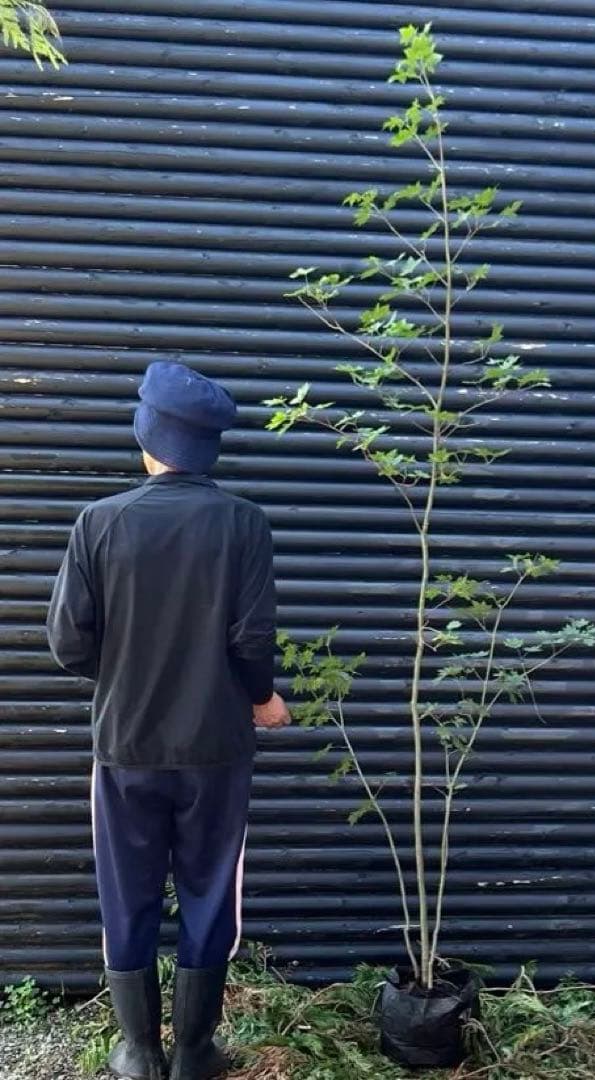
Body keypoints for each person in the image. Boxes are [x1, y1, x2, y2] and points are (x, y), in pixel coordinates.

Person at [46, 360, 291, 1080]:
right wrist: (261, 698)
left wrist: (123, 675)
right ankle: (193, 1052)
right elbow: (253, 638)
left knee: (128, 891)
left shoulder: (100, 522)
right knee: (212, 888)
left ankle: (137, 1053)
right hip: (216, 746)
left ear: (148, 436)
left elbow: (66, 641)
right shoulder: (243, 523)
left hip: (125, 744)